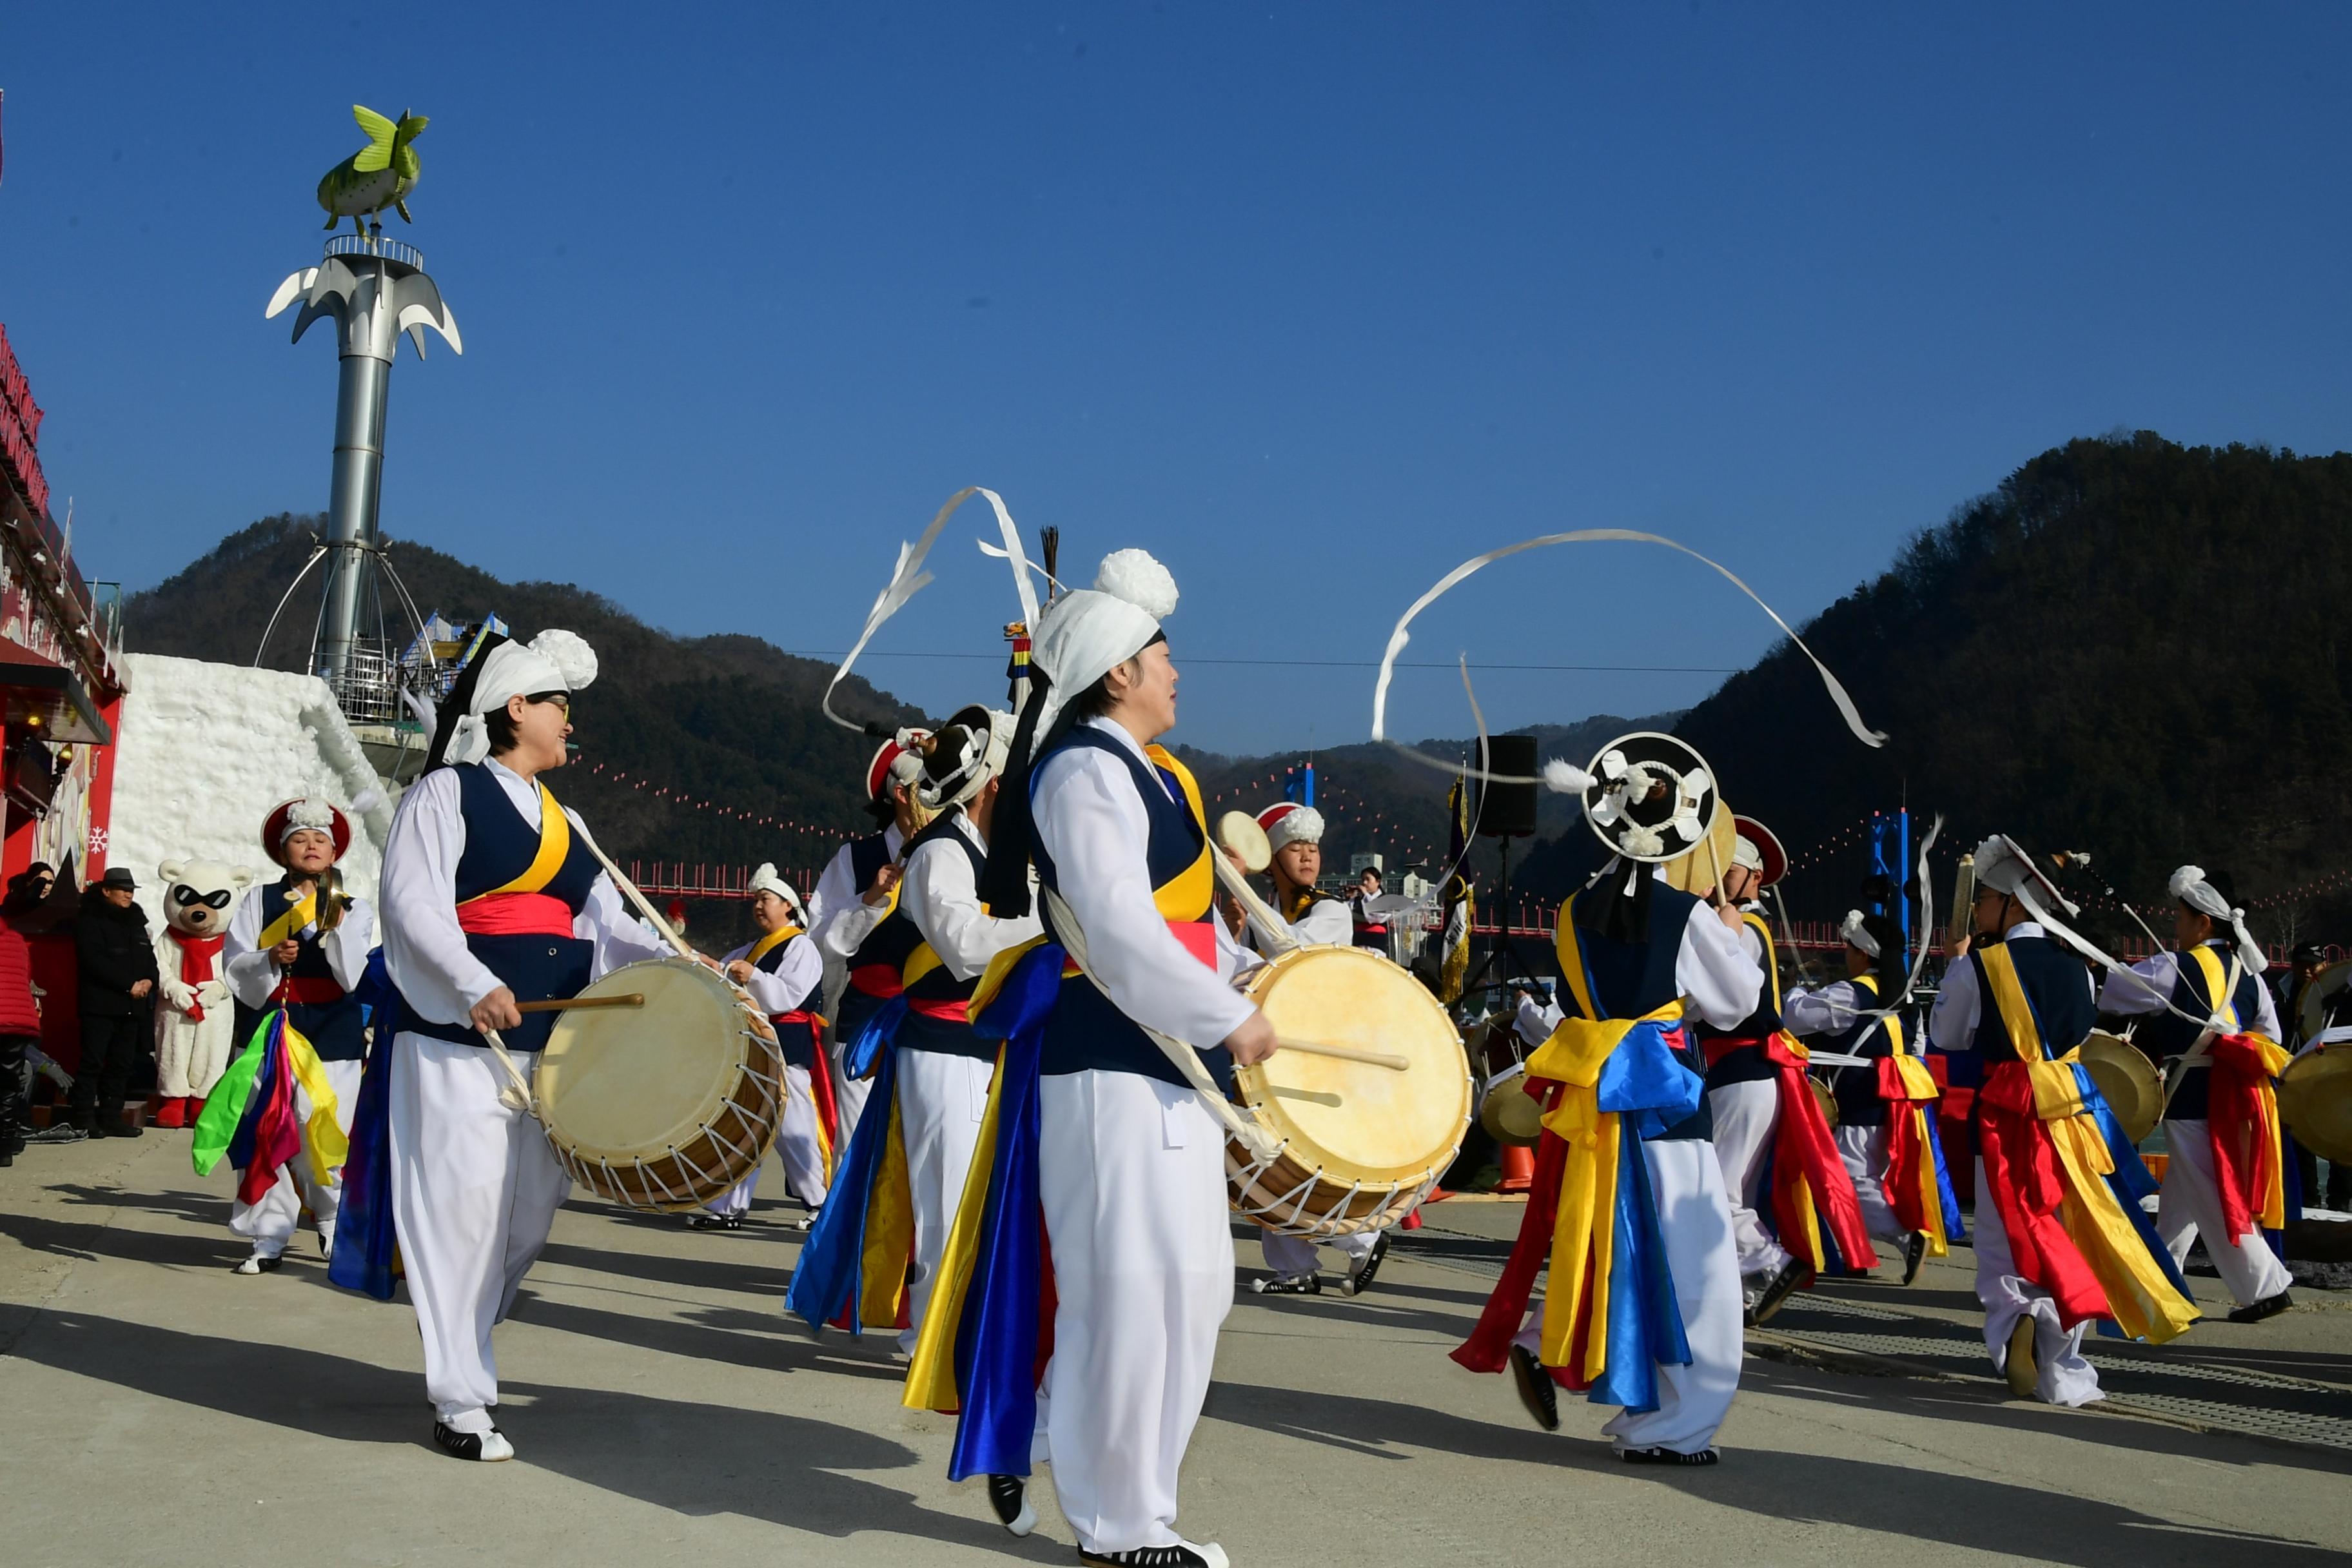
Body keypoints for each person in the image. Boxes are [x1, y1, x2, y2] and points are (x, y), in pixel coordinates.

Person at [947, 548, 1276, 1565]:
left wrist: (1265, 982)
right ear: (1118, 672)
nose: (1179, 673)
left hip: (1166, 1053)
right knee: (1128, 1291)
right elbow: (1120, 931)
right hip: (1110, 1051)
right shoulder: (1087, 767)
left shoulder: (1151, 773)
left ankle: (1081, 1455)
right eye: (1164, 656)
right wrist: (1227, 1014)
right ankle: (1120, 1525)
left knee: (1191, 1288)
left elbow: (1186, 928)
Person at [378, 629, 671, 1462]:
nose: (570, 724)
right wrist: (474, 983)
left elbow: (608, 926)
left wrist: (689, 966)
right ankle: (461, 1399)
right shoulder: (447, 794)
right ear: (517, 709)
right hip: (459, 1042)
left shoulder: (567, 820)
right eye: (560, 707)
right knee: (465, 1217)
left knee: (527, 1227)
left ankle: (466, 1340)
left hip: (551, 1049)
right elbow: (415, 905)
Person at [1453, 734, 1760, 1467]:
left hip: (1598, 1105)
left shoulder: (1569, 913)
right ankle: (1671, 1424)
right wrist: (1734, 936)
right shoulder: (1686, 914)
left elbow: (1573, 1001)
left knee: (1610, 1248)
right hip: (1666, 1101)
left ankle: (1562, 1353)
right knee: (1695, 1266)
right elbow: (1737, 1005)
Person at [1930, 836, 2198, 1405]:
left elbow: (1946, 1038)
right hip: (2074, 1112)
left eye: (1986, 900)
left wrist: (1957, 968)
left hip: (2007, 1110)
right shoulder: (2081, 968)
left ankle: (2016, 1316)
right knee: (2068, 1226)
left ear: (2013, 904)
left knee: (2003, 1235)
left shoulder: (1980, 966)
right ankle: (2065, 1368)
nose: (1977, 909)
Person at [887, 706, 1042, 1351]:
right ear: (997, 787)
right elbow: (965, 947)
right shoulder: (939, 853)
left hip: (990, 1046)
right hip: (944, 1046)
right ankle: (937, 1337)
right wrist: (1058, 926)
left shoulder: (1001, 855)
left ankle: (963, 1331)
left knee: (980, 1199)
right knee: (946, 1195)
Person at [2097, 867, 2294, 1323]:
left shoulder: (2175, 967)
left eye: (2180, 919)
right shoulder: (2249, 973)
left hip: (2192, 1096)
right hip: (2234, 1095)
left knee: (2211, 1195)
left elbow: (2113, 994)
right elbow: (2272, 1034)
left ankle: (2266, 1286)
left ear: (2203, 922)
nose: (2175, 927)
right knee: (2182, 1201)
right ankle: (2162, 1280)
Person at [1230, 799, 1389, 1297]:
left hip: (1310, 1047)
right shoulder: (1264, 910)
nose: (1308, 857)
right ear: (1273, 858)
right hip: (1265, 1045)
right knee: (1260, 1159)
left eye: (1313, 848)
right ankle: (1294, 1266)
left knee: (1285, 1159)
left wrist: (1242, 908)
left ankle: (1363, 1237)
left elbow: (1290, 952)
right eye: (1295, 848)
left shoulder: (1330, 909)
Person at [219, 799, 377, 1271]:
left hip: (333, 1029)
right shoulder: (259, 900)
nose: (311, 847)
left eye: (320, 841)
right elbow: (235, 962)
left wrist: (332, 928)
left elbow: (353, 974)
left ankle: (331, 1220)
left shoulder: (353, 906)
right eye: (300, 840)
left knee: (326, 1128)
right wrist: (270, 958)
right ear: (284, 851)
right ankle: (268, 1234)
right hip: (274, 1025)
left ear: (333, 853)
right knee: (268, 1127)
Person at [1782, 909, 1934, 1285]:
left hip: (1859, 1098)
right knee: (1871, 1176)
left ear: (1862, 954)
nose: (1845, 955)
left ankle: (1905, 1235)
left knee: (1849, 1180)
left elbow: (1793, 1016)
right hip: (1897, 1098)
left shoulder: (1851, 993)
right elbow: (1918, 1045)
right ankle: (1857, 1254)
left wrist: (1798, 988)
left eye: (1848, 948)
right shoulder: (1907, 997)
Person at [692, 864, 829, 1231]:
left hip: (786, 1046)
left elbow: (790, 995)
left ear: (788, 905)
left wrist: (753, 977)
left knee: (794, 1128)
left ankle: (820, 1203)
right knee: (744, 1126)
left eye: (765, 899)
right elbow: (726, 974)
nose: (758, 906)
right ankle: (727, 1207)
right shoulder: (752, 948)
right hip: (754, 1046)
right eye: (756, 899)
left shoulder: (801, 945)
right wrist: (706, 965)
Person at [811, 732, 930, 1143]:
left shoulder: (956, 852)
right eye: (926, 787)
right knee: (856, 1139)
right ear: (901, 793)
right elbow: (822, 944)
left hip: (936, 1015)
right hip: (867, 1015)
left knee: (926, 1140)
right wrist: (870, 900)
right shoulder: (856, 857)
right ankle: (847, 1209)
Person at [71, 867, 159, 1137]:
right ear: (106, 891)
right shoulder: (90, 921)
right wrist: (127, 985)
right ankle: (83, 1117)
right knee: (93, 1062)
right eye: (123, 889)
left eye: (131, 890)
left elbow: (150, 960)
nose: (128, 894)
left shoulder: (136, 923)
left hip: (133, 1008)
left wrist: (148, 981)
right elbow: (93, 961)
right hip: (101, 1005)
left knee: (122, 1065)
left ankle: (112, 1117)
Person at [0, 905, 39, 1166]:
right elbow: (25, 976)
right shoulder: (16, 939)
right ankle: (3, 1148)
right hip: (16, 1021)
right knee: (6, 1085)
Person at [1350, 865, 1390, 952]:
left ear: (1378, 882)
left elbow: (1377, 917)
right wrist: (1349, 897)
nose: (1364, 883)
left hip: (1376, 945)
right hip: (1359, 943)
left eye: (1368, 879)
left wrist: (1365, 895)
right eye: (1363, 879)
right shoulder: (1357, 900)